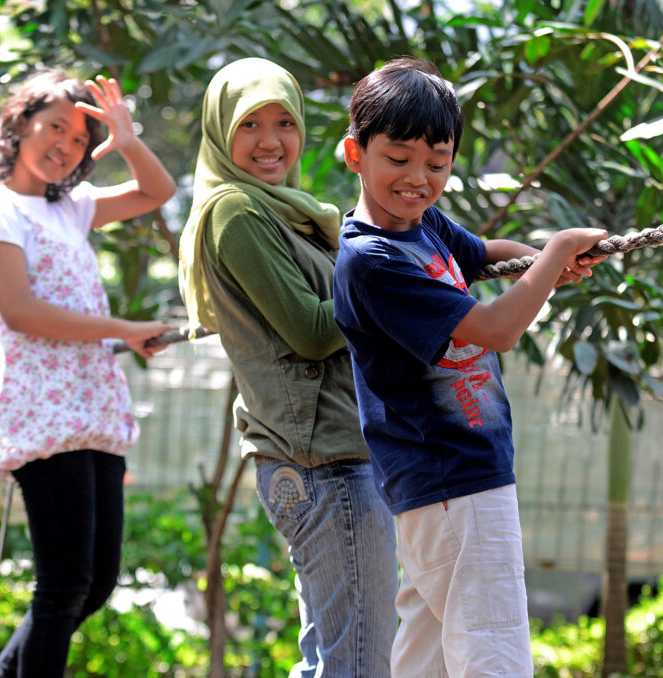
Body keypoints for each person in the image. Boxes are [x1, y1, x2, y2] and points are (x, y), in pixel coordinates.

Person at [332, 57, 609, 678]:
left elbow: (485, 256)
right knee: (492, 653)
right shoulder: (372, 259)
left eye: (437, 162)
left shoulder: (420, 224)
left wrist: (542, 263)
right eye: (397, 158)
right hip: (456, 481)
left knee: (427, 658)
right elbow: (497, 329)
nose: (418, 178)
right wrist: (559, 250)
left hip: (440, 490)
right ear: (355, 153)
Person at [178, 57, 398, 677]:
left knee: (333, 659)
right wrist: (394, 287)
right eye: (249, 124)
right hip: (323, 463)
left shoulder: (285, 211)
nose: (270, 141)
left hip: (329, 459)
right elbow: (309, 331)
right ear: (221, 131)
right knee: (359, 665)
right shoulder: (237, 211)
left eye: (284, 122)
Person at [0, 68, 175, 678]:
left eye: (81, 139)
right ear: (20, 124)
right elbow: (21, 312)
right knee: (62, 587)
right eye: (55, 126)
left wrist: (128, 140)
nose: (67, 145)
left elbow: (155, 192)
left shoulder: (70, 207)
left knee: (96, 583)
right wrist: (125, 331)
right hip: (37, 405)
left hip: (88, 403)